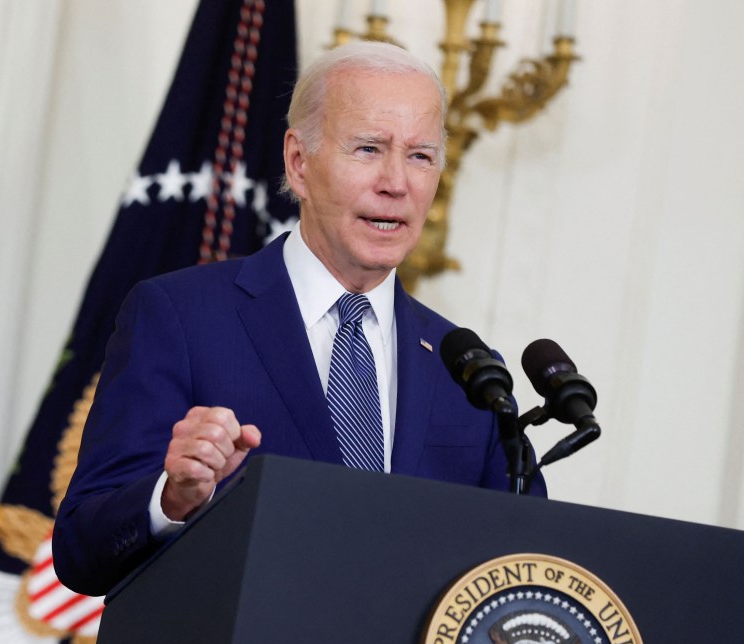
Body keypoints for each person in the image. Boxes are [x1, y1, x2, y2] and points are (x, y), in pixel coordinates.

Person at [53, 41, 546, 597]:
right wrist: (172, 498)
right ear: (299, 162)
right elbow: (80, 551)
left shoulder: (470, 372)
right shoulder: (180, 317)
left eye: (421, 156)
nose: (396, 183)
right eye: (367, 148)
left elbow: (523, 573)